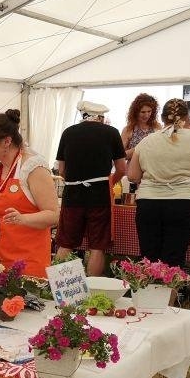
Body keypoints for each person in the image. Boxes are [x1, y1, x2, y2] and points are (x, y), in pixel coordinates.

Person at [128, 98, 190, 268]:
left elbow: (132, 175)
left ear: (162, 118)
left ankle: (149, 291)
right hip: (185, 201)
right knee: (174, 255)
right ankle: (171, 293)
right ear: (186, 117)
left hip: (149, 201)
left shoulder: (147, 141)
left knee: (149, 255)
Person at [0, 109, 59, 277]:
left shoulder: (33, 167)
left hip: (26, 266)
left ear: (6, 141)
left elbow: (54, 215)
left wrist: (23, 219)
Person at [55, 101, 126, 276]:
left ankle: (57, 287)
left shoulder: (68, 133)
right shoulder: (112, 132)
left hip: (73, 194)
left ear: (82, 115)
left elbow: (62, 170)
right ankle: (93, 287)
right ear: (101, 117)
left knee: (66, 243)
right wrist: (108, 183)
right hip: (99, 195)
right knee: (97, 246)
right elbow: (121, 169)